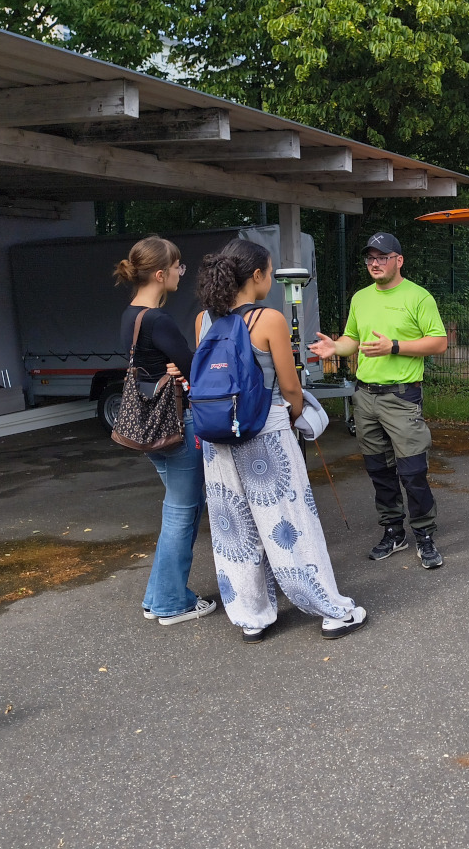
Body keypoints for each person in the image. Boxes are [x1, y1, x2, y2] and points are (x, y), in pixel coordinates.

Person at [195, 238, 366, 643]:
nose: (271, 279)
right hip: (266, 430)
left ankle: (252, 616)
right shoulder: (268, 319)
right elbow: (290, 388)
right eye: (270, 272)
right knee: (289, 524)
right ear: (257, 275)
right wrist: (295, 415)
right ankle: (331, 611)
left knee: (234, 528)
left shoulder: (203, 320)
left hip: (217, 436)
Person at [308, 232, 448, 570]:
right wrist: (335, 347)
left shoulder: (418, 297)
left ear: (399, 260)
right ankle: (393, 532)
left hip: (401, 397)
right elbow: (352, 339)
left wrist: (394, 347)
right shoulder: (361, 298)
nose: (374, 263)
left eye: (382, 257)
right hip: (365, 397)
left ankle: (424, 535)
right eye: (370, 257)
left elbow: (439, 342)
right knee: (379, 471)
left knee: (412, 471)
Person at [113, 235, 216, 626]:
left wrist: (172, 367)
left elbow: (157, 366)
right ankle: (173, 603)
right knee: (182, 515)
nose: (180, 273)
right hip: (176, 425)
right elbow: (196, 369)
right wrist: (183, 366)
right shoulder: (159, 320)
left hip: (150, 425)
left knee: (177, 510)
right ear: (160, 273)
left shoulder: (131, 315)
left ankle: (157, 597)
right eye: (177, 267)